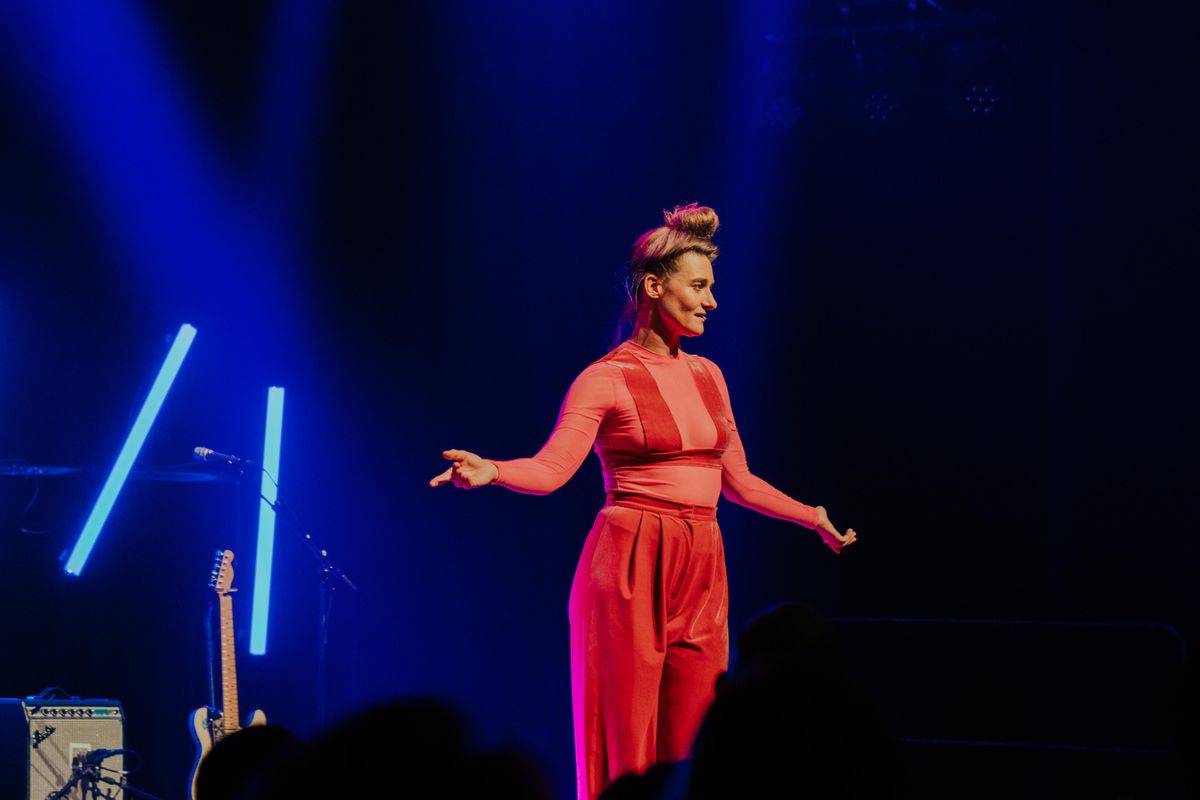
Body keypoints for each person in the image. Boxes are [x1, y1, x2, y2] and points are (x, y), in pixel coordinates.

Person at [430, 203, 857, 800]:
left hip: (702, 563)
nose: (712, 301)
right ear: (655, 287)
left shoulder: (709, 376)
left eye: (711, 288)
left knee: (693, 742)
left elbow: (738, 480)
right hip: (630, 559)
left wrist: (811, 517)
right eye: (699, 286)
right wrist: (493, 470)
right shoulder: (605, 378)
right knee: (624, 742)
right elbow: (552, 470)